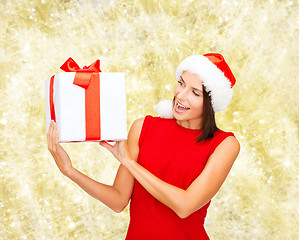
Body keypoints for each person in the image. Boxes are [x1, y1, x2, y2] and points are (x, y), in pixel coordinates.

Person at [47, 53, 240, 239]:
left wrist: (130, 164)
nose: (181, 96)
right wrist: (69, 170)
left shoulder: (224, 145)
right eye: (181, 83)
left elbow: (185, 206)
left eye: (195, 93)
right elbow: (118, 200)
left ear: (211, 102)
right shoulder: (143, 128)